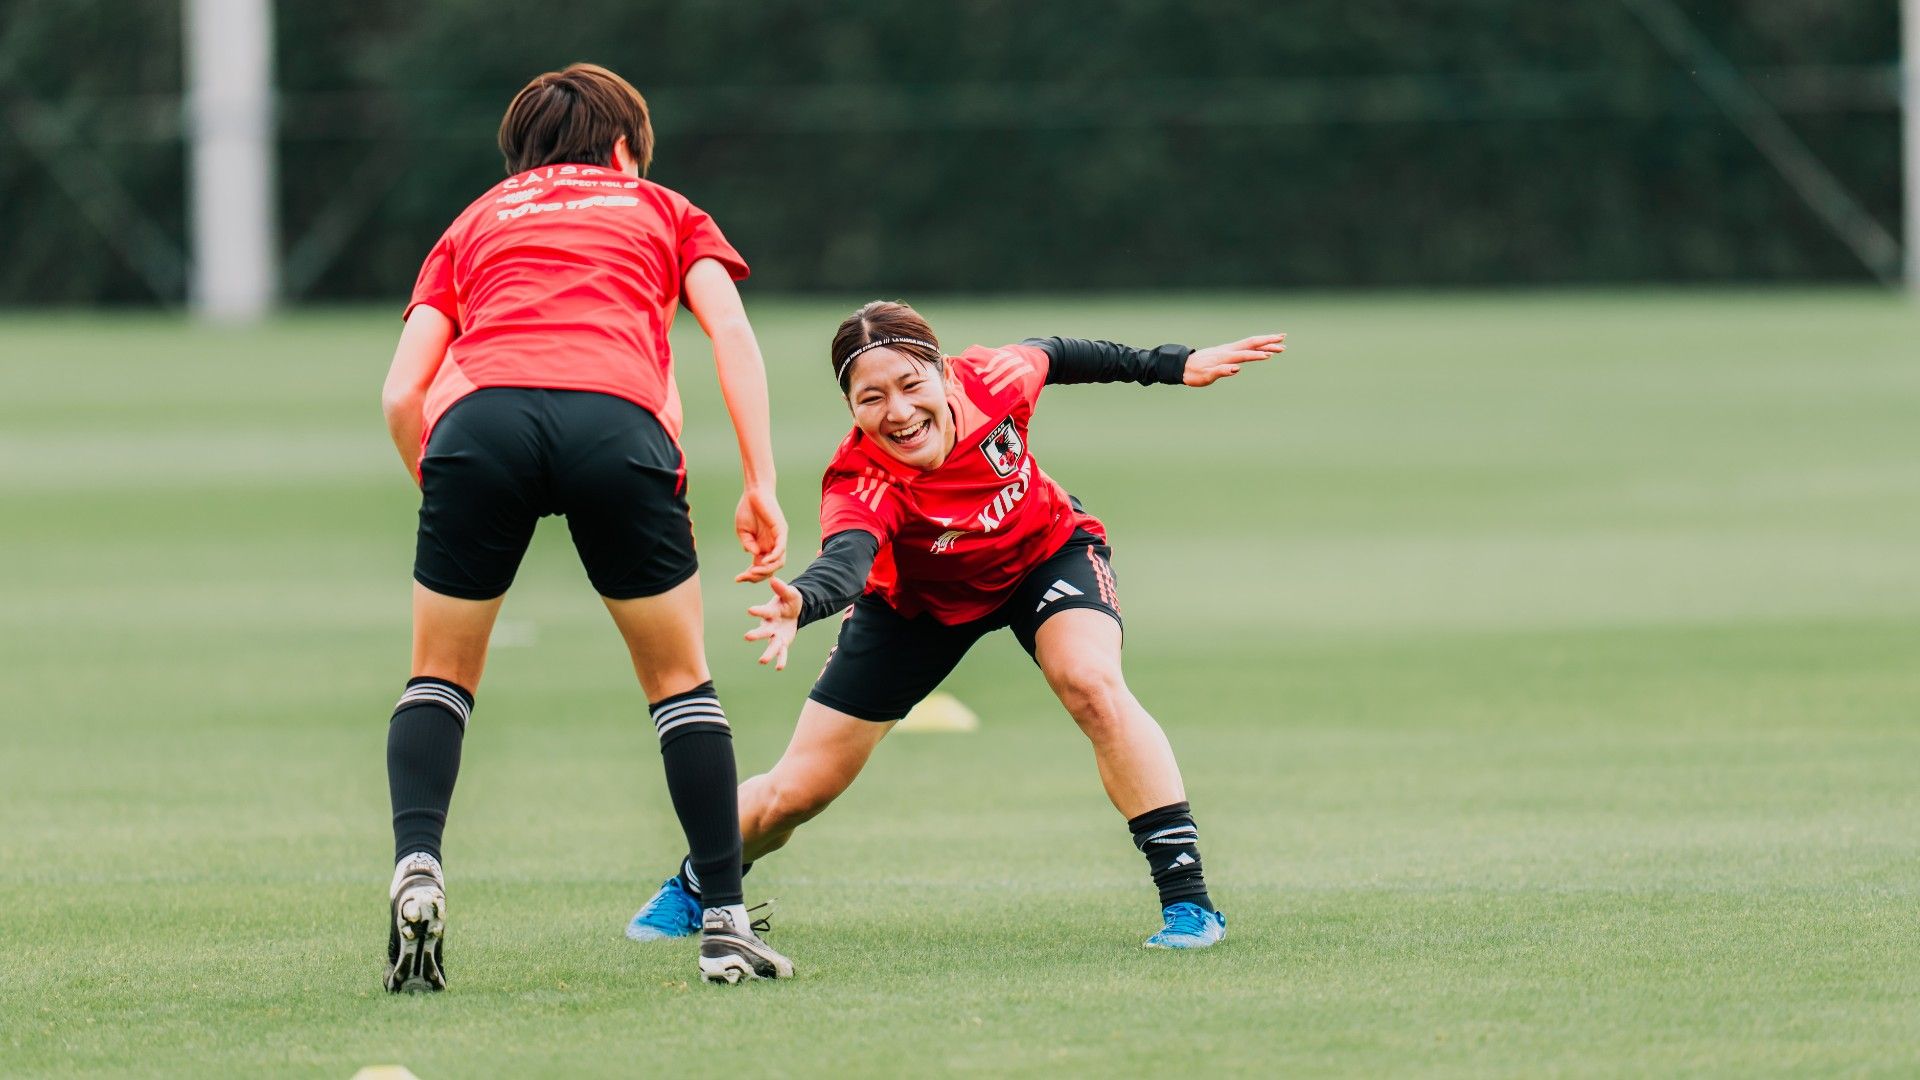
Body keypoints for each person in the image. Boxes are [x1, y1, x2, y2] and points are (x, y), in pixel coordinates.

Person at [627, 300, 1285, 950]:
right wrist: (803, 599)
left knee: (1089, 681)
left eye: (912, 385)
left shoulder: (994, 379)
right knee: (796, 793)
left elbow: (1057, 352)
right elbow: (847, 559)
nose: (900, 412)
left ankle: (1189, 904)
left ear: (944, 372)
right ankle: (696, 882)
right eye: (871, 397)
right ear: (851, 408)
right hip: (913, 610)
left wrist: (1175, 365)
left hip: (1046, 555)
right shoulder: (860, 479)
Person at [378, 63, 793, 990]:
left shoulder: (477, 219)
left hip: (478, 423)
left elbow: (402, 389)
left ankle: (418, 866)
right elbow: (731, 333)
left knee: (439, 675)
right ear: (622, 148)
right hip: (618, 420)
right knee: (678, 680)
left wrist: (439, 476)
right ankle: (725, 922)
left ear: (521, 155)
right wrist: (760, 480)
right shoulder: (663, 207)